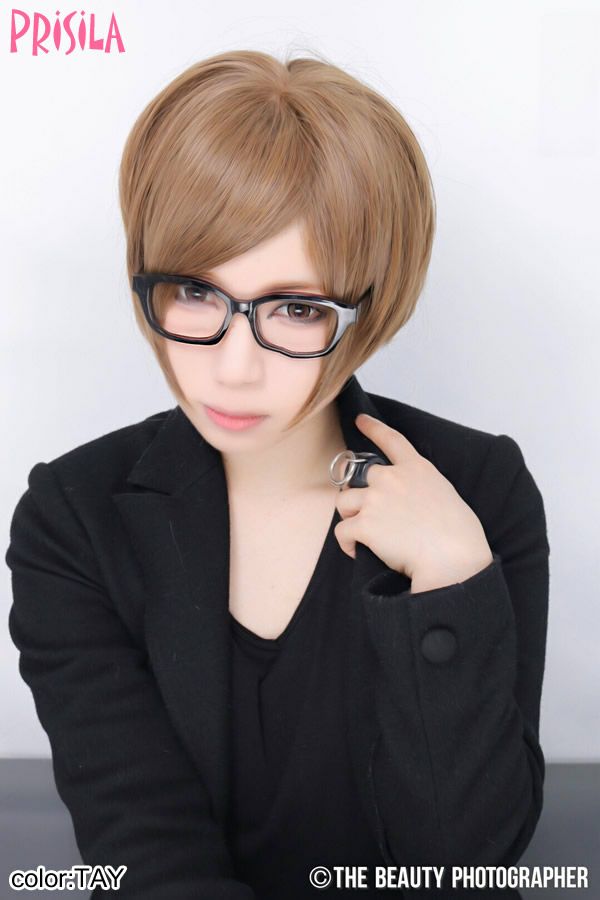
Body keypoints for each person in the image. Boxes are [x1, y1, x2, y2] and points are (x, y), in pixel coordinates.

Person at [5, 50, 550, 899]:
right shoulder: (74, 519)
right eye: (195, 292)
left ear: (369, 309)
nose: (233, 367)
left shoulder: (480, 489)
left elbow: (467, 866)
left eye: (296, 309)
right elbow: (149, 856)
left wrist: (450, 584)